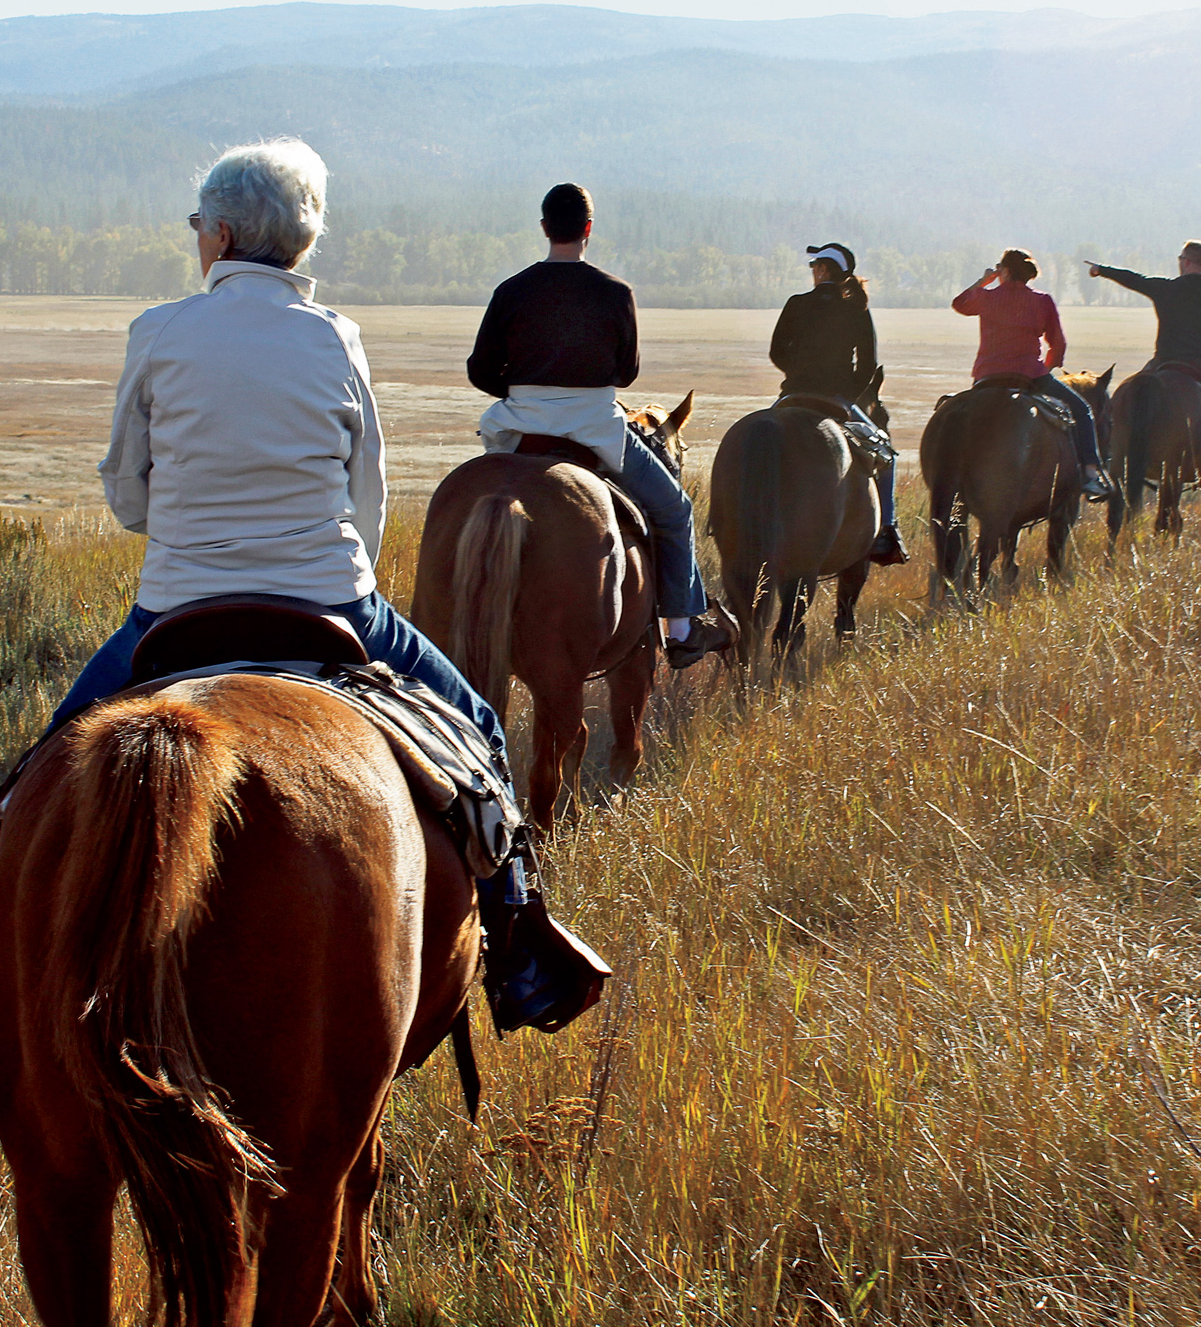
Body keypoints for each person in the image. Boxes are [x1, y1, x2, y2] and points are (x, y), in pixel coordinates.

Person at [52, 137, 585, 1033]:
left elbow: (126, 492)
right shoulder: (336, 337)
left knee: (50, 766)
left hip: (175, 608)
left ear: (218, 235)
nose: (196, 238)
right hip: (329, 603)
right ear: (297, 244)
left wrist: (183, 525)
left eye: (196, 225)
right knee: (483, 733)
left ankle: (28, 941)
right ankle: (518, 944)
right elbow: (365, 492)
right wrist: (343, 575)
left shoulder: (159, 331)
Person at [465, 183, 734, 667]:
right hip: (597, 428)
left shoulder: (511, 290)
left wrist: (528, 389)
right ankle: (680, 628)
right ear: (588, 229)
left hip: (518, 423)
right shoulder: (615, 292)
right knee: (675, 510)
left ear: (545, 228)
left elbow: (479, 371)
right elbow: (626, 373)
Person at [768, 242, 906, 565]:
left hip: (793, 396)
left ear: (823, 270)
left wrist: (798, 374)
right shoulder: (856, 309)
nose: (813, 272)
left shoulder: (796, 303)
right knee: (886, 455)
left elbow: (776, 351)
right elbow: (869, 365)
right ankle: (886, 530)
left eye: (815, 267)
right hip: (837, 400)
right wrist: (848, 393)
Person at [951, 249, 1110, 501]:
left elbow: (959, 304)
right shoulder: (1042, 300)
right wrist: (1044, 369)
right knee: (1081, 410)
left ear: (1004, 270)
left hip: (986, 378)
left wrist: (983, 282)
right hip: (1030, 377)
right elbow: (1058, 346)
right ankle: (1091, 474)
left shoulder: (986, 296)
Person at [1089, 240, 1201, 476]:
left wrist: (1101, 270)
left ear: (1185, 262)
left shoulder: (1165, 289)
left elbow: (1134, 279)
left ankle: (1108, 452)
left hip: (1163, 362)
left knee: (1126, 394)